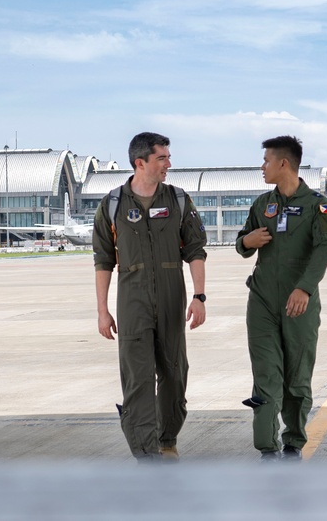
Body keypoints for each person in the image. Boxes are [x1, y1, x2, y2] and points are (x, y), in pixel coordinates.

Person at [93, 132, 207, 461]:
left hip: (172, 299)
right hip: (132, 301)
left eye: (168, 158)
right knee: (137, 376)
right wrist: (103, 311)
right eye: (162, 158)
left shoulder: (179, 200)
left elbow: (196, 251)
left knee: (174, 372)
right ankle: (145, 451)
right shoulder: (112, 205)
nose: (168, 164)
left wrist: (199, 296)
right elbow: (103, 261)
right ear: (140, 162)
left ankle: (166, 436)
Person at [236, 136, 327, 461]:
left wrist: (305, 287)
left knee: (297, 376)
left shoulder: (318, 206)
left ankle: (293, 443)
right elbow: (242, 243)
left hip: (300, 305)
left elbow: (323, 249)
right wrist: (247, 241)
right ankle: (267, 448)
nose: (262, 167)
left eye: (266, 161)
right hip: (262, 302)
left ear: (283, 163)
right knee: (265, 373)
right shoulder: (262, 204)